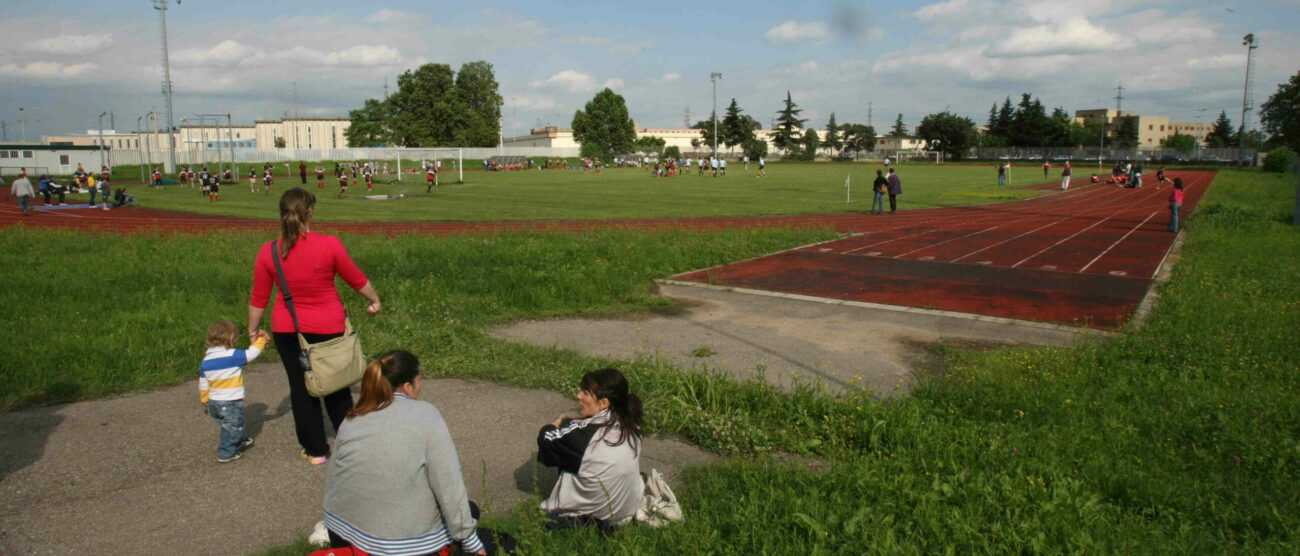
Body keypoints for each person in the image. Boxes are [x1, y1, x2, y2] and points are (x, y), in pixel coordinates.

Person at [248, 188, 382, 464]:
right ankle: (350, 444)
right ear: (310, 213)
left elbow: (258, 298)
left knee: (300, 389)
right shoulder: (329, 244)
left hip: (288, 330)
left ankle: (315, 450)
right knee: (335, 386)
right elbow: (356, 279)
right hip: (327, 326)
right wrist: (374, 301)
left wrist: (253, 329)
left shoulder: (269, 252)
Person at [322, 350, 490, 556]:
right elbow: (448, 484)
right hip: (395, 545)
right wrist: (471, 541)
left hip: (340, 532)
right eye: (419, 380)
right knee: (469, 510)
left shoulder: (354, 416)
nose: (421, 387)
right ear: (408, 387)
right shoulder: (425, 414)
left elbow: (334, 480)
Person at [537, 368, 644, 528]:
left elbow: (545, 439)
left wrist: (557, 422)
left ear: (604, 403)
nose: (579, 396)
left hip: (597, 516)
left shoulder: (583, 438)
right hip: (625, 511)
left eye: (586, 393)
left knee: (563, 451)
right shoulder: (632, 425)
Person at [200, 320, 268, 463]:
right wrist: (261, 341)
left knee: (230, 423)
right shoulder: (233, 355)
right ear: (231, 339)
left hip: (214, 402)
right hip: (230, 401)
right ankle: (226, 452)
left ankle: (240, 438)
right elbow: (251, 353)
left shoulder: (206, 360)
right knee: (232, 425)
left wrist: (205, 397)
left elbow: (203, 382)